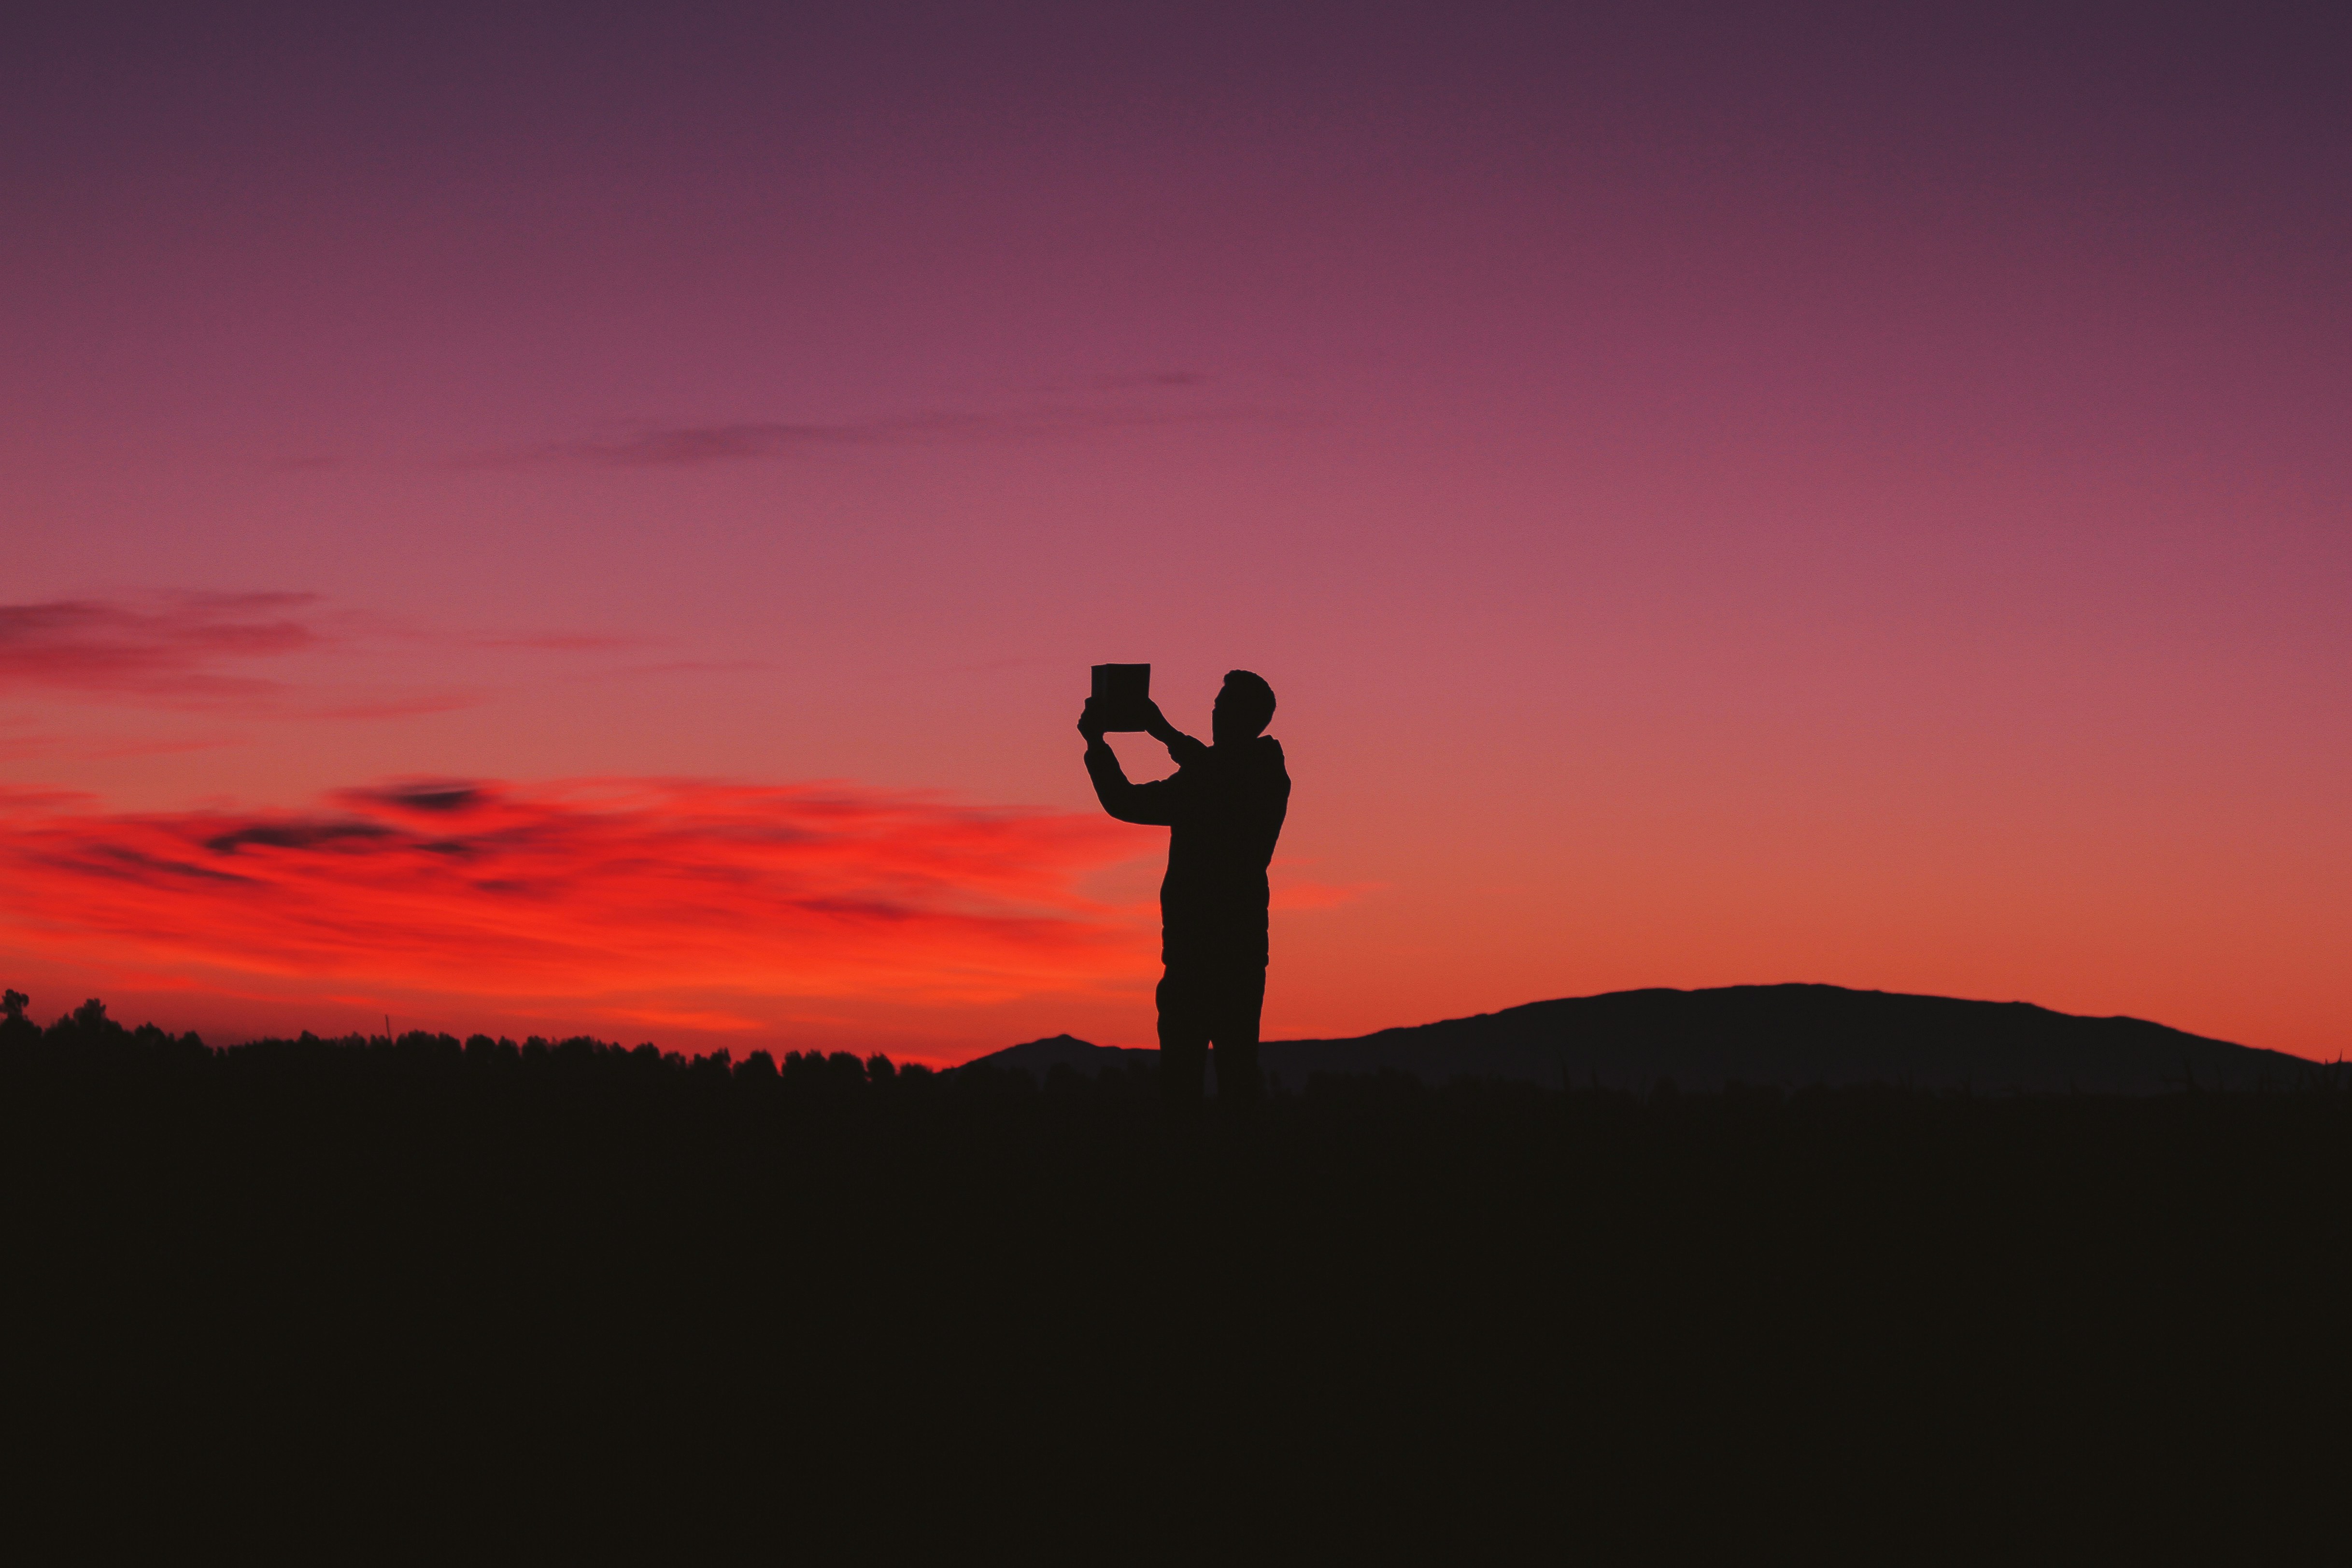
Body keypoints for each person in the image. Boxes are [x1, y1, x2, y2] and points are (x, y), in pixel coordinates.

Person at [1079, 670, 1290, 1112]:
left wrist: (1163, 733)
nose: (1214, 712)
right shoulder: (1203, 777)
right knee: (1182, 1085)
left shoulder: (1263, 770)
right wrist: (1096, 746)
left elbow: (1224, 780)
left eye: (1224, 705)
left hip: (1233, 955)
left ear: (1248, 717)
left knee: (1234, 1082)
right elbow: (1128, 803)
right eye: (1215, 704)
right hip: (1188, 955)